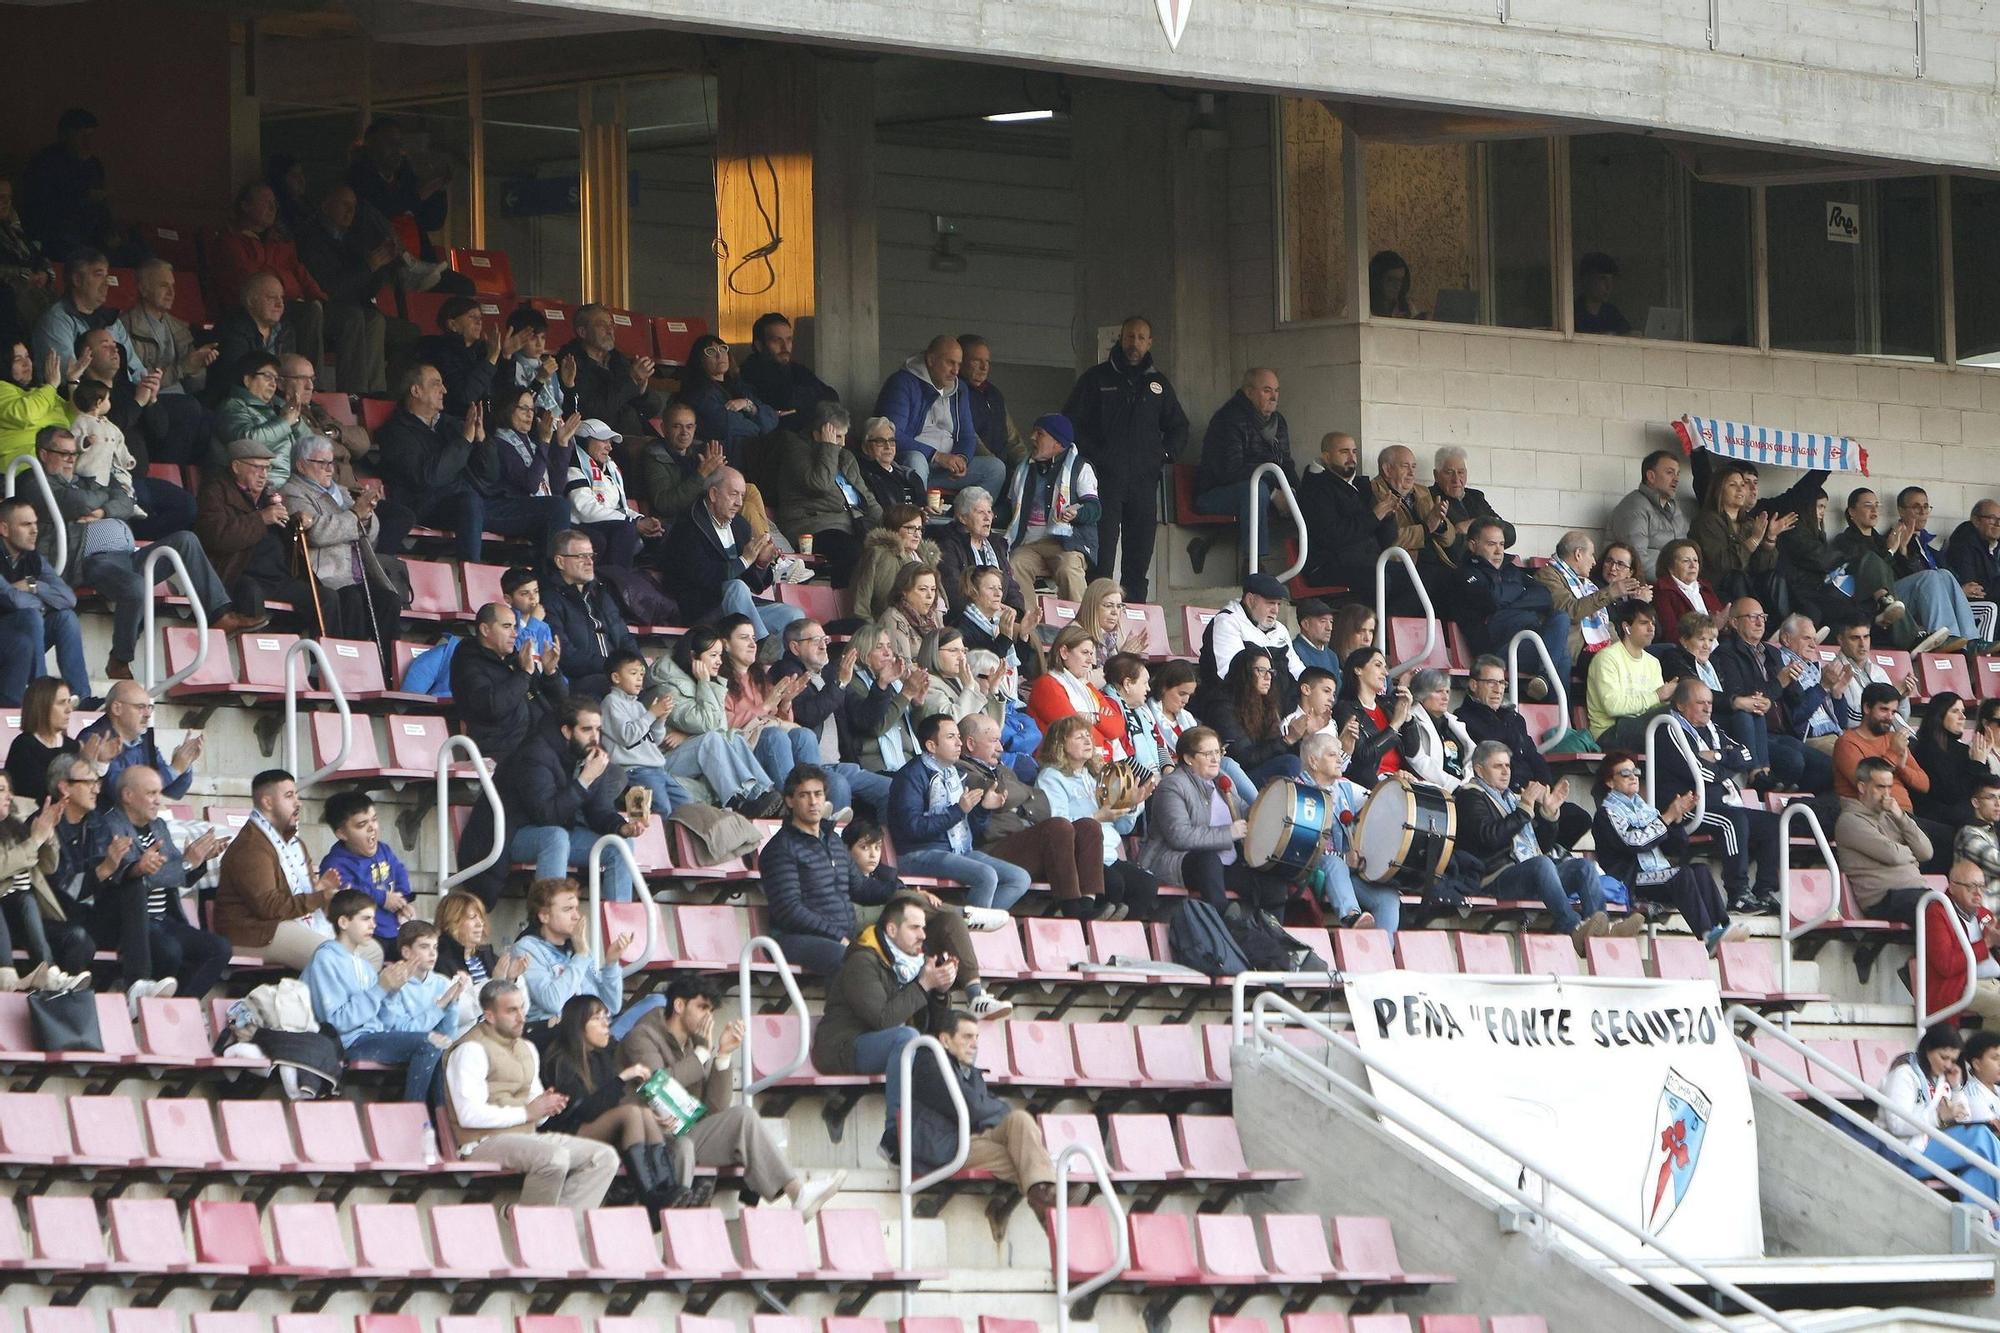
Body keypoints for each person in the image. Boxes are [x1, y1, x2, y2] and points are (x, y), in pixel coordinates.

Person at [759, 767, 1006, 1008]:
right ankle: (859, 1025)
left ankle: (967, 989)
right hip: (796, 938)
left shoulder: (832, 840)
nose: (813, 802)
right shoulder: (780, 849)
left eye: (818, 794)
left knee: (922, 936)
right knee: (856, 959)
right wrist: (839, 937)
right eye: (804, 795)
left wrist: (901, 892)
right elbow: (789, 911)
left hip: (843, 934)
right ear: (789, 801)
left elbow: (861, 888)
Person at [34, 424, 256, 680]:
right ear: (43, 454)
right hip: (90, 561)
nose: (71, 460)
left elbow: (126, 501)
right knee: (137, 587)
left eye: (74, 453)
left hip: (128, 555)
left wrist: (102, 511)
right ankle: (120, 659)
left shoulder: (84, 480)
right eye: (63, 453)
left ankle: (220, 614)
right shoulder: (33, 480)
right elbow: (79, 503)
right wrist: (102, 500)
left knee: (186, 540)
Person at [617, 976, 848, 1213]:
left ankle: (798, 1193)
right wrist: (702, 1055)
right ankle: (676, 1227)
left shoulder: (696, 1044)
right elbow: (660, 1086)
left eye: (711, 1010)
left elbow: (714, 1108)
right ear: (678, 1006)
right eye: (701, 1007)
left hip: (685, 1130)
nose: (708, 1016)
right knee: (684, 1147)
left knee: (743, 1116)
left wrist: (723, 1056)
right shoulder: (642, 1036)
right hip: (651, 1134)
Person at [441, 978, 620, 1207]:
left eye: (522, 1008)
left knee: (604, 1158)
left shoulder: (527, 1048)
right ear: (490, 1015)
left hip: (527, 1137)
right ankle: (534, 1225)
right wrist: (527, 1112)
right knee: (554, 1157)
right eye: (511, 1011)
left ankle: (564, 1229)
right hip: (483, 1142)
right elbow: (469, 1115)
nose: (521, 1017)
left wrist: (546, 1107)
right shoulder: (470, 1050)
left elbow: (536, 1110)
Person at [811, 894, 957, 1155]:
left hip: (885, 1045)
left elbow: (934, 1026)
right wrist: (924, 985)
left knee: (950, 1045)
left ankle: (950, 1141)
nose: (923, 935)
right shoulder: (863, 961)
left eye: (923, 927)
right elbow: (882, 1019)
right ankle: (894, 1136)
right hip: (842, 1046)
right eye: (914, 927)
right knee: (907, 1038)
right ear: (891, 929)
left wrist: (939, 991)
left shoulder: (915, 966)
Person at [1455, 741, 1628, 954]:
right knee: (1542, 865)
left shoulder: (1510, 798)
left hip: (1528, 871)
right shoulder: (1469, 796)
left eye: (1508, 766)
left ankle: (1600, 931)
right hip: (1494, 877)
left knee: (1584, 867)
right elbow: (1490, 838)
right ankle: (1574, 928)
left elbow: (1540, 846)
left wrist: (1548, 814)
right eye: (1497, 766)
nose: (1505, 772)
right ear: (1479, 769)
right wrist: (1525, 809)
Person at [1062, 316, 1188, 601]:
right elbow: (1071, 424)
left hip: (1144, 483)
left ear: (1150, 343)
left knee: (1139, 558)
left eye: (1141, 338)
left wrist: (1165, 454)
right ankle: (1096, 618)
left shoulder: (1158, 384)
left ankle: (1134, 620)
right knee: (1102, 559)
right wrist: (1095, 456)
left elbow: (1179, 427)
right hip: (1104, 482)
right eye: (1130, 337)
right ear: (1120, 338)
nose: (1135, 344)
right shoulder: (1096, 378)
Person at [84, 766, 230, 1010]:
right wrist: (185, 862)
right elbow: (135, 877)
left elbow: (177, 877)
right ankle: (145, 1006)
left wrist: (198, 861)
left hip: (165, 919)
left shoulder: (159, 826)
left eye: (159, 793)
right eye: (151, 793)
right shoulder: (110, 826)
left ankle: (179, 1008)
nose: (158, 800)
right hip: (124, 924)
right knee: (170, 951)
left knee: (219, 948)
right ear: (128, 796)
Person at [909, 1010, 1059, 1233]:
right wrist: (993, 1110)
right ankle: (1053, 1199)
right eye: (967, 1037)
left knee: (1019, 1119)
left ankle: (1045, 1199)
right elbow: (972, 1107)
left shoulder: (971, 1072)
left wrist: (993, 1111)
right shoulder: (929, 1062)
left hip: (971, 1140)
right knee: (1026, 1160)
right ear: (945, 1040)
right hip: (944, 1146)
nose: (974, 1044)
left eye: (977, 1037)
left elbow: (988, 1109)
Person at [955, 710, 1111, 920]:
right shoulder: (962, 770)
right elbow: (1003, 791)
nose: (1001, 748)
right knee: (1058, 826)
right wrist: (1024, 797)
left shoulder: (1002, 771)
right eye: (993, 741)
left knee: (1088, 826)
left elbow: (1041, 802)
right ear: (971, 744)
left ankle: (1087, 902)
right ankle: (1071, 908)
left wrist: (1018, 799)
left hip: (1021, 842)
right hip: (991, 850)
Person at [303, 890, 455, 1102]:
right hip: (347, 1042)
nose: (373, 925)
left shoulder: (364, 966)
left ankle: (437, 1124)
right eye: (366, 919)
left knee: (442, 1045)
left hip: (374, 1036)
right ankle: (415, 1118)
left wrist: (393, 990)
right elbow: (336, 1022)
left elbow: (386, 1021)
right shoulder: (326, 959)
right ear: (344, 922)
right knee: (428, 1044)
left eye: (374, 919)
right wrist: (381, 989)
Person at [1653, 678, 1785, 914]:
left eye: (1710, 703)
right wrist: (1725, 763)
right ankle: (1738, 894)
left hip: (1719, 802)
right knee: (1733, 821)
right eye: (1700, 703)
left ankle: (1764, 892)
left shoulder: (1712, 728)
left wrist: (1717, 756)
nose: (1708, 708)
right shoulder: (1668, 728)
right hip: (1687, 807)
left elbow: (1746, 755)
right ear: (1681, 706)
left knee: (1774, 824)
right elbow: (1697, 771)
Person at [1592, 754, 1743, 955]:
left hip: (1659, 875)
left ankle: (1723, 928)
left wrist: (1677, 821)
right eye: (1625, 773)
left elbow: (1676, 849)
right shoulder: (1606, 814)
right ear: (1610, 782)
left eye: (1635, 771)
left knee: (1699, 870)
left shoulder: (1646, 810)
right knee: (1681, 875)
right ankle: (1707, 936)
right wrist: (1667, 817)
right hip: (1630, 881)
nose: (1633, 776)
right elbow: (1634, 843)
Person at [498, 703, 645, 905]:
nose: (595, 737)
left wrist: (621, 827)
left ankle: (619, 934)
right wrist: (584, 780)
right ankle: (548, 924)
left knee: (620, 845)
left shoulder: (588, 755)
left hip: (561, 832)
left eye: (598, 729)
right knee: (555, 837)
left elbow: (599, 809)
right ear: (567, 731)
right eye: (586, 729)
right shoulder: (536, 753)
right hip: (513, 833)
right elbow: (546, 816)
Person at [528, 994, 677, 1192]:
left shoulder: (603, 1056)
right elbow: (586, 1111)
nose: (606, 1024)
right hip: (565, 1131)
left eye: (606, 1018)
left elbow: (613, 1104)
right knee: (631, 1113)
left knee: (645, 1113)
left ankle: (668, 1188)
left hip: (597, 1128)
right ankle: (650, 1195)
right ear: (578, 1025)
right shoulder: (560, 1059)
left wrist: (652, 1120)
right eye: (597, 1019)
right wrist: (621, 1079)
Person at [1138, 726, 1291, 916]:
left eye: (1217, 752)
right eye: (1207, 753)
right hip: (1176, 862)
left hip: (1223, 866)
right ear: (1188, 759)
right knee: (1208, 860)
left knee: (1273, 884)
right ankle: (1225, 921)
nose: (1215, 759)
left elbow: (1246, 814)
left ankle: (1273, 937)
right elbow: (1180, 836)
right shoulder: (1172, 786)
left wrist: (1271, 805)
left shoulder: (1223, 782)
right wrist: (1230, 833)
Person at [888, 714, 1031, 912]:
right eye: (950, 737)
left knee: (1019, 878)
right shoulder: (911, 776)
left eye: (958, 736)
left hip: (958, 849)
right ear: (931, 746)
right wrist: (958, 811)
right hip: (919, 852)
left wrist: (982, 809)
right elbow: (914, 828)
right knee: (986, 875)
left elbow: (971, 829)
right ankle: (971, 932)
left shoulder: (954, 774)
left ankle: (971, 924)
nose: (959, 742)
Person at [212, 768, 351, 970]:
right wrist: (320, 897)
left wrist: (319, 890)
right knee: (331, 957)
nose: (298, 802)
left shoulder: (295, 844)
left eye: (296, 795)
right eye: (289, 796)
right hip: (255, 934)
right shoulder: (252, 847)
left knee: (368, 950)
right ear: (267, 802)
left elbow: (295, 898)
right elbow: (270, 907)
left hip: (282, 924)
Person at [281, 435, 406, 648]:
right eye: (322, 463)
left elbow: (370, 535)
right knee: (352, 600)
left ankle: (386, 670)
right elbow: (316, 534)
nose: (330, 469)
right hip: (327, 575)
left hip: (358, 575)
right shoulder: (292, 492)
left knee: (389, 601)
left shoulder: (341, 492)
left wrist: (366, 516)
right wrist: (355, 515)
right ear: (301, 465)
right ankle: (351, 667)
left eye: (331, 463)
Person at [645, 626, 785, 816]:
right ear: (694, 657)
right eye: (713, 655)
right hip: (662, 761)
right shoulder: (666, 686)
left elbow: (721, 727)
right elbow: (710, 726)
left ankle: (761, 795)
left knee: (733, 737)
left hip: (685, 751)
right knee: (712, 739)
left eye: (720, 655)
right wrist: (705, 683)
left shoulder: (702, 678)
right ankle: (739, 802)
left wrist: (687, 736)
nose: (719, 661)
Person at [655, 468, 803, 643]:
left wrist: (760, 564)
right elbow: (704, 577)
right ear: (713, 494)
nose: (739, 503)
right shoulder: (687, 525)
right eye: (733, 494)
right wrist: (744, 560)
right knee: (736, 587)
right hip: (701, 610)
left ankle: (783, 667)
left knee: (793, 616)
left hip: (741, 608)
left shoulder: (740, 526)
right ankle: (760, 646)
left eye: (742, 496)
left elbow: (755, 585)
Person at [1034, 716, 1161, 921]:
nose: (1087, 741)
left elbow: (1122, 828)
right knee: (1113, 883)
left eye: (1088, 736)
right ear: (1060, 744)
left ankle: (1118, 940)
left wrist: (1131, 804)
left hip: (1108, 854)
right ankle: (1085, 935)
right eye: (1078, 737)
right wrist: (1098, 816)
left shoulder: (1094, 776)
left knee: (1146, 885)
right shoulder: (1051, 777)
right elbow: (1058, 825)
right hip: (1077, 855)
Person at [769, 620, 896, 817]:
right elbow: (807, 716)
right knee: (838, 784)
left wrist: (881, 686)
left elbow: (863, 718)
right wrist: (840, 684)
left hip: (839, 764)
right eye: (815, 640)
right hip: (807, 767)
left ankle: (874, 846)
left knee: (889, 788)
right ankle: (831, 844)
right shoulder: (785, 672)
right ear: (795, 647)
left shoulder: (830, 673)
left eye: (825, 639)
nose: (823, 645)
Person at [1834, 487, 1975, 650]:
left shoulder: (1883, 540)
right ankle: (1943, 637)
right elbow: (1870, 572)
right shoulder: (1845, 541)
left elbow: (1907, 579)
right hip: (1871, 602)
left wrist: (1903, 552)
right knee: (1930, 576)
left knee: (1944, 574)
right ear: (1852, 511)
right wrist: (1890, 551)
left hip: (1897, 601)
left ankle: (1970, 641)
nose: (1874, 510)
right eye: (1867, 505)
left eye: (1876, 505)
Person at [1715, 599, 1831, 793]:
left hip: (1782, 731)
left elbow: (1797, 699)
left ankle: (1798, 805)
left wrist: (1799, 682)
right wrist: (1779, 682)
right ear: (1734, 622)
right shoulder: (1726, 653)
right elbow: (1745, 698)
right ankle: (1766, 792)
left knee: (1827, 767)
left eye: (1762, 617)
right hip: (1753, 732)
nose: (1760, 623)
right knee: (1793, 761)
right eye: (1752, 618)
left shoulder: (1772, 652)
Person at [193, 438, 312, 623]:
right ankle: (253, 648)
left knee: (324, 598)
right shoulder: (215, 491)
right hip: (239, 574)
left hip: (277, 578)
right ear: (236, 466)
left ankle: (316, 650)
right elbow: (217, 536)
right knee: (251, 593)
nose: (263, 474)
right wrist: (261, 519)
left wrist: (295, 523)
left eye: (267, 468)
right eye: (256, 467)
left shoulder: (268, 496)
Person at [873, 335, 1006, 497]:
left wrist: (962, 459)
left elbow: (967, 435)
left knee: (995, 469)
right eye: (950, 362)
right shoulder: (902, 383)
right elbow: (891, 434)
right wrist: (936, 455)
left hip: (945, 470)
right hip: (909, 465)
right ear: (931, 359)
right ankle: (917, 518)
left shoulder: (960, 389)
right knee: (917, 459)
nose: (956, 371)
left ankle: (969, 517)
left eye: (959, 364)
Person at [1294, 730, 1399, 934]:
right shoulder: (1297, 791)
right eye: (1332, 754)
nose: (1339, 760)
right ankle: (1351, 917)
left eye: (1340, 754)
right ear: (1313, 761)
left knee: (1388, 898)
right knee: (1336, 863)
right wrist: (1343, 857)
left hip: (1346, 873)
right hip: (1312, 870)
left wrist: (1396, 784)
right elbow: (1303, 847)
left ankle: (1384, 956)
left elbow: (1379, 800)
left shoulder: (1344, 788)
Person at [1834, 683, 1948, 868]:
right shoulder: (1847, 742)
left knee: (1952, 838)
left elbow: (1924, 784)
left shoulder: (1892, 738)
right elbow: (1864, 784)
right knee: (1936, 845)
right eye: (1884, 709)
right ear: (1866, 708)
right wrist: (1893, 754)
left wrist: (1901, 767)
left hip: (1904, 816)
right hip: (1875, 817)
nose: (1889, 717)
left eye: (1893, 712)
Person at [294, 185, 394, 395]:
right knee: (353, 317)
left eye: (354, 207)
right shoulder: (310, 237)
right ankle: (353, 392)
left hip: (348, 305)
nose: (350, 212)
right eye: (344, 205)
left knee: (376, 320)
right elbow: (328, 288)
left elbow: (363, 290)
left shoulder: (351, 239)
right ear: (326, 205)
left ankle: (375, 393)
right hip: (322, 306)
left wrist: (381, 267)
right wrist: (367, 267)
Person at [1458, 518, 1570, 701]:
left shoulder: (1510, 570)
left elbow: (1544, 596)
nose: (1498, 551)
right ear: (1473, 545)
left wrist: (1506, 602)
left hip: (1527, 638)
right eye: (1491, 544)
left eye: (1502, 544)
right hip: (1497, 650)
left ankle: (1544, 682)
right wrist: (1519, 591)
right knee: (1561, 656)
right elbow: (1491, 600)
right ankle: (1559, 720)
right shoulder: (1466, 573)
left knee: (1560, 618)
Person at [1192, 369, 1293, 567]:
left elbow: (1286, 463)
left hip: (1260, 486)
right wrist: (1274, 493)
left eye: (1276, 390)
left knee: (1307, 496)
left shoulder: (1278, 421)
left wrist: (1292, 492)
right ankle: (1254, 565)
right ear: (1248, 392)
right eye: (1266, 390)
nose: (1274, 396)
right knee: (1256, 491)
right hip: (1213, 494)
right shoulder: (1228, 419)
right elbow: (1230, 470)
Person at [772, 401, 877, 588]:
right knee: (851, 551)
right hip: (810, 527)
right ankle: (844, 610)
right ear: (818, 434)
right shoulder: (796, 450)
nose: (843, 444)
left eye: (844, 436)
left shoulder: (845, 457)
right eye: (837, 436)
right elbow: (819, 483)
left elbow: (865, 496)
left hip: (849, 525)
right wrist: (828, 448)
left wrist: (894, 523)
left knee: (884, 551)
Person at [0, 769, 91, 987]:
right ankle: (48, 971)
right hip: (7, 919)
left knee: (78, 937)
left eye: (8, 790)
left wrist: (48, 836)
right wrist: (35, 841)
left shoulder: (15, 827)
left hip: (29, 920)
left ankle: (62, 994)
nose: (9, 796)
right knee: (25, 898)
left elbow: (48, 867)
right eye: (1, 790)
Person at [997, 413, 1098, 604]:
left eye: (1040, 433)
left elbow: (1095, 509)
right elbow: (1008, 508)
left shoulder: (1080, 468)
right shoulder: (1023, 469)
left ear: (1058, 443)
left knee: (1068, 569)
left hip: (1067, 544)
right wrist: (987, 513)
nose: (1032, 437)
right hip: (1030, 544)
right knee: (1014, 564)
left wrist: (1077, 513)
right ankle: (1028, 628)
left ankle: (1081, 628)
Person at [0, 496, 90, 707]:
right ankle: (41, 692)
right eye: (25, 524)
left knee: (65, 618)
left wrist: (35, 585)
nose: (34, 530)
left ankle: (81, 695)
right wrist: (40, 603)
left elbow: (69, 599)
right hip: (6, 637)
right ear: (4, 529)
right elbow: (12, 600)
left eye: (35, 523)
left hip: (25, 634)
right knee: (31, 615)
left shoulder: (33, 558)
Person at [1295, 431, 1399, 598]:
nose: (1352, 457)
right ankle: (1370, 624)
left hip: (1367, 562)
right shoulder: (1315, 488)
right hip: (1327, 566)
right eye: (1344, 452)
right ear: (1326, 457)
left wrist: (1387, 517)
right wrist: (1373, 517)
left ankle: (1393, 623)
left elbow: (1386, 540)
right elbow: (1331, 536)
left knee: (1424, 578)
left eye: (1354, 451)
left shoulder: (1362, 487)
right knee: (1379, 580)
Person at [540, 528, 640, 698]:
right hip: (581, 681)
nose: (589, 562)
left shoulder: (600, 593)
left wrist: (638, 667)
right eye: (581, 556)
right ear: (560, 562)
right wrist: (615, 668)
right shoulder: (550, 600)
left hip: (615, 675)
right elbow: (565, 655)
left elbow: (624, 638)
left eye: (591, 555)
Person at [1837, 755, 1936, 926]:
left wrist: (1901, 817)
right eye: (1880, 787)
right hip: (1883, 900)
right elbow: (1893, 855)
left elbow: (1926, 852)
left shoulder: (1893, 817)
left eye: (1889, 787)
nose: (1886, 794)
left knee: (1960, 909)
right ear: (1862, 787)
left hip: (1913, 895)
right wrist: (1912, 856)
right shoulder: (1850, 821)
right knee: (1938, 912)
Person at [598, 650, 693, 818]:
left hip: (657, 769)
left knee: (686, 804)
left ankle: (671, 843)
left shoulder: (638, 706)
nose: (639, 678)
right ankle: (652, 843)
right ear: (616, 678)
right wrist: (652, 714)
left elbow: (653, 740)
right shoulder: (611, 703)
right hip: (634, 772)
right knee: (657, 810)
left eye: (641, 673)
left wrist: (660, 719)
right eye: (633, 673)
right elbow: (627, 736)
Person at [1691, 461, 1795, 614]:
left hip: (1748, 585)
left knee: (1774, 575)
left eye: (1742, 485)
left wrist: (1769, 539)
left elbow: (1761, 568)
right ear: (1719, 490)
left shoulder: (1749, 523)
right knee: (1737, 577)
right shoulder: (1707, 521)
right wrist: (1753, 540)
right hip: (1720, 587)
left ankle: (1786, 628)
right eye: (1733, 485)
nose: (1740, 489)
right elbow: (1725, 564)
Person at [78, 681, 201, 810]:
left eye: (149, 707)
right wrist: (175, 769)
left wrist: (184, 763)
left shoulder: (143, 740)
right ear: (117, 708)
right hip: (105, 824)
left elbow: (173, 791)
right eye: (140, 707)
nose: (148, 714)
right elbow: (122, 792)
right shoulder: (95, 740)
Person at [1195, 573, 1303, 718]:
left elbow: (1298, 670)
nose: (1275, 610)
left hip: (1278, 708)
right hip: (1239, 709)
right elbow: (1231, 676)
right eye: (1270, 603)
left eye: (1278, 604)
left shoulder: (1280, 630)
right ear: (1251, 600)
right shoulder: (1227, 622)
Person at [209, 350, 316, 488]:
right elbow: (247, 442)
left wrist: (295, 422)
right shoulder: (232, 407)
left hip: (290, 484)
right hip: (257, 485)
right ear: (247, 380)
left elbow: (311, 446)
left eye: (275, 379)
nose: (273, 384)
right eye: (267, 376)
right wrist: (284, 423)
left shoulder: (277, 407)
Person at [563, 419, 660, 570]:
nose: (609, 447)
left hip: (610, 522)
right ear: (584, 440)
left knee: (661, 529)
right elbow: (586, 511)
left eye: (610, 441)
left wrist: (639, 519)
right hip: (581, 524)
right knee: (625, 530)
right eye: (603, 440)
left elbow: (620, 507)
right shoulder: (574, 468)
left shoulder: (610, 469)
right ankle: (617, 583)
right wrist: (633, 523)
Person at [119, 259, 217, 403]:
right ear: (143, 289)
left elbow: (195, 387)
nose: (171, 292)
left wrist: (198, 366)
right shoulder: (126, 327)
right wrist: (183, 367)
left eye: (173, 286)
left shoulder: (180, 328)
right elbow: (138, 381)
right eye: (163, 286)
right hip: (149, 402)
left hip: (182, 399)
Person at [555, 304, 661, 438]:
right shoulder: (570, 363)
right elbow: (593, 412)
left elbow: (653, 408)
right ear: (583, 332)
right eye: (602, 325)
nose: (610, 330)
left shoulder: (618, 359)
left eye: (611, 325)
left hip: (631, 435)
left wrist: (642, 392)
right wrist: (631, 380)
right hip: (597, 440)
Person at [1026, 625, 1127, 766]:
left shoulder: (1087, 686)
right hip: (1064, 767)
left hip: (1097, 763)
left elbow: (1118, 727)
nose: (1091, 661)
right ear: (1064, 652)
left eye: (1092, 654)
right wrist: (1103, 726)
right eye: (1085, 653)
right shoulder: (1047, 685)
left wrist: (1093, 718)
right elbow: (1076, 732)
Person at [1210, 646, 1308, 788]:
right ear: (1244, 673)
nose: (1268, 677)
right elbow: (1242, 758)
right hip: (1234, 777)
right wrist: (1287, 740)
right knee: (1290, 764)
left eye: (1270, 671)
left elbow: (1274, 749)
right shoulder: (1222, 706)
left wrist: (1302, 738)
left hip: (1258, 772)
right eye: (1261, 671)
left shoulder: (1266, 704)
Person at [5, 676, 110, 803]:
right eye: (61, 703)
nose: (69, 710)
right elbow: (39, 793)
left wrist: (98, 763)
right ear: (42, 707)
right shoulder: (23, 746)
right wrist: (84, 763)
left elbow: (92, 794)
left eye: (69, 702)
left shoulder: (73, 746)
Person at [409, 296, 515, 419]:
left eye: (480, 318)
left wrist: (506, 356)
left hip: (486, 424)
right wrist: (491, 360)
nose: (479, 321)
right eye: (471, 317)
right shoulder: (439, 351)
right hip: (456, 424)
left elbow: (506, 395)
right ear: (452, 324)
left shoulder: (483, 350)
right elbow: (465, 396)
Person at [1586, 600, 1672, 750]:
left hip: (1641, 728)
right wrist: (1657, 696)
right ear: (1627, 627)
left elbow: (1656, 706)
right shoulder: (1607, 658)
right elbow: (1613, 707)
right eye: (1644, 623)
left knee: (1684, 710)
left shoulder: (1653, 662)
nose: (1651, 628)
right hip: (1609, 733)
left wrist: (1671, 698)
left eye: (1653, 623)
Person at [1923, 861, 2000, 1026]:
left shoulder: (1985, 914)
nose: (1978, 893)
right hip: (1961, 987)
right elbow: (1946, 965)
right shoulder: (1938, 913)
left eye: (1981, 886)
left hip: (1993, 983)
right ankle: (1988, 1051)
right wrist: (1986, 943)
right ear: (1952, 887)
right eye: (1971, 887)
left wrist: (1997, 944)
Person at [934, 487, 1024, 619]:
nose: (988, 518)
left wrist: (1016, 611)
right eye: (980, 512)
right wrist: (989, 614)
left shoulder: (997, 544)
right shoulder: (948, 546)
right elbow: (954, 593)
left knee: (1027, 631)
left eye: (989, 512)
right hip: (968, 620)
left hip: (1000, 616)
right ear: (963, 518)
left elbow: (1010, 586)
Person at [1772, 612, 1853, 754]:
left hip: (1835, 737)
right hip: (1810, 740)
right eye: (1806, 638)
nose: (1813, 645)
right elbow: (1795, 717)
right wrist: (1823, 686)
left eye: (1814, 639)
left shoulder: (1813, 667)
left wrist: (1837, 694)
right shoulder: (1782, 665)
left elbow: (1841, 723)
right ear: (1786, 639)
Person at [1608, 450, 1690, 588]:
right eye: (1670, 472)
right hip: (1643, 588)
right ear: (1651, 476)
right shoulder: (1634, 507)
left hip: (1671, 584)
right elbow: (1637, 559)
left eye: (1677, 474)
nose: (1676, 479)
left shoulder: (1674, 508)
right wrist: (1673, 582)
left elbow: (1686, 551)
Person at [1332, 647, 1411, 785]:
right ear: (1358, 670)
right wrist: (1395, 725)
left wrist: (1407, 716)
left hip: (1402, 777)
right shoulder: (1346, 709)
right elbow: (1363, 756)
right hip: (1372, 783)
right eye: (1378, 665)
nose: (1385, 673)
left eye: (1385, 667)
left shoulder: (1388, 706)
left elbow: (1413, 751)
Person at [1913, 693, 1990, 831]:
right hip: (1938, 821)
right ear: (1939, 715)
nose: (1963, 717)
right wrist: (1977, 764)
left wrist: (1983, 760)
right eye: (1955, 711)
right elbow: (1951, 794)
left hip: (1965, 816)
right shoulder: (1925, 750)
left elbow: (1983, 787)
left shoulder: (1964, 750)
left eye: (1963, 712)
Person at [1427, 447, 1516, 565]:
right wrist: (1489, 533)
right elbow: (1452, 545)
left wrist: (1469, 525)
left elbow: (1508, 532)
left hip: (1489, 565)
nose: (1456, 479)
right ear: (1436, 475)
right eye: (1449, 472)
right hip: (1456, 568)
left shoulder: (1476, 496)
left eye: (1461, 472)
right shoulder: (1430, 497)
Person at [739, 312, 837, 417]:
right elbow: (781, 399)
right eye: (777, 341)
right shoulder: (748, 374)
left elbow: (831, 396)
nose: (785, 347)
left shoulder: (797, 369)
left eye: (789, 340)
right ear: (759, 346)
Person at [1401, 667, 1473, 791]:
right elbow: (1419, 762)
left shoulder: (1453, 722)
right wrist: (1455, 786)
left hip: (1464, 787)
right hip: (1435, 790)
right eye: (1439, 691)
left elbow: (1471, 756)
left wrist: (1467, 782)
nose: (1446, 697)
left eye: (1447, 691)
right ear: (1421, 694)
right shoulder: (1411, 720)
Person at [958, 335, 1023, 467]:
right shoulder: (955, 392)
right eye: (976, 360)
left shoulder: (994, 394)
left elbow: (1013, 439)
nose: (984, 367)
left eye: (987, 361)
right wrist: (996, 465)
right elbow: (970, 437)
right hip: (974, 468)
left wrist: (1026, 466)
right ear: (961, 361)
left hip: (1003, 468)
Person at [854, 414, 929, 515]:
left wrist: (928, 510)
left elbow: (922, 507)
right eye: (880, 441)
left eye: (892, 441)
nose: (888, 446)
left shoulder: (909, 475)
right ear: (865, 447)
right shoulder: (863, 476)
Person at [1948, 500, 2000, 605]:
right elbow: (1973, 589)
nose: (1998, 524)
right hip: (1974, 607)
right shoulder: (1964, 541)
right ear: (1976, 520)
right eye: (1992, 518)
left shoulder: (1993, 543)